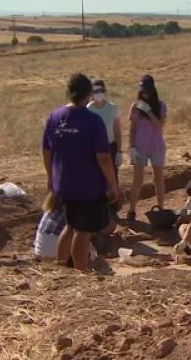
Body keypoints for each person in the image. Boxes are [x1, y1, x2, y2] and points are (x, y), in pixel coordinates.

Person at [42, 73, 119, 271]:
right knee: (83, 232)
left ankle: (61, 266)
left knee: (69, 226)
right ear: (89, 94)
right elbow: (103, 157)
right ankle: (80, 271)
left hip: (63, 183)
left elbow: (46, 151)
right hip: (87, 186)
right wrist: (113, 184)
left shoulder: (55, 117)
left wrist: (51, 177)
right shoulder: (92, 121)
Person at [127, 74, 168, 222]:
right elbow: (132, 129)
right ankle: (131, 210)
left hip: (156, 146)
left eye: (147, 91)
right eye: (142, 91)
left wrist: (149, 111)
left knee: (158, 179)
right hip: (140, 147)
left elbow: (159, 125)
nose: (144, 94)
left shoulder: (161, 105)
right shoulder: (135, 107)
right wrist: (131, 147)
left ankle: (161, 209)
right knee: (137, 180)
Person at [33, 204, 98, 263]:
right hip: (55, 253)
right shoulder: (81, 207)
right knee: (92, 252)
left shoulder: (52, 206)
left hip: (40, 253)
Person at [87, 79, 123, 179]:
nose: (98, 94)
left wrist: (119, 151)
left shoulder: (112, 108)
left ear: (105, 91)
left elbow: (117, 131)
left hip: (110, 148)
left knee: (112, 179)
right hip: (94, 149)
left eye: (101, 90)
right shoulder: (88, 109)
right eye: (95, 91)